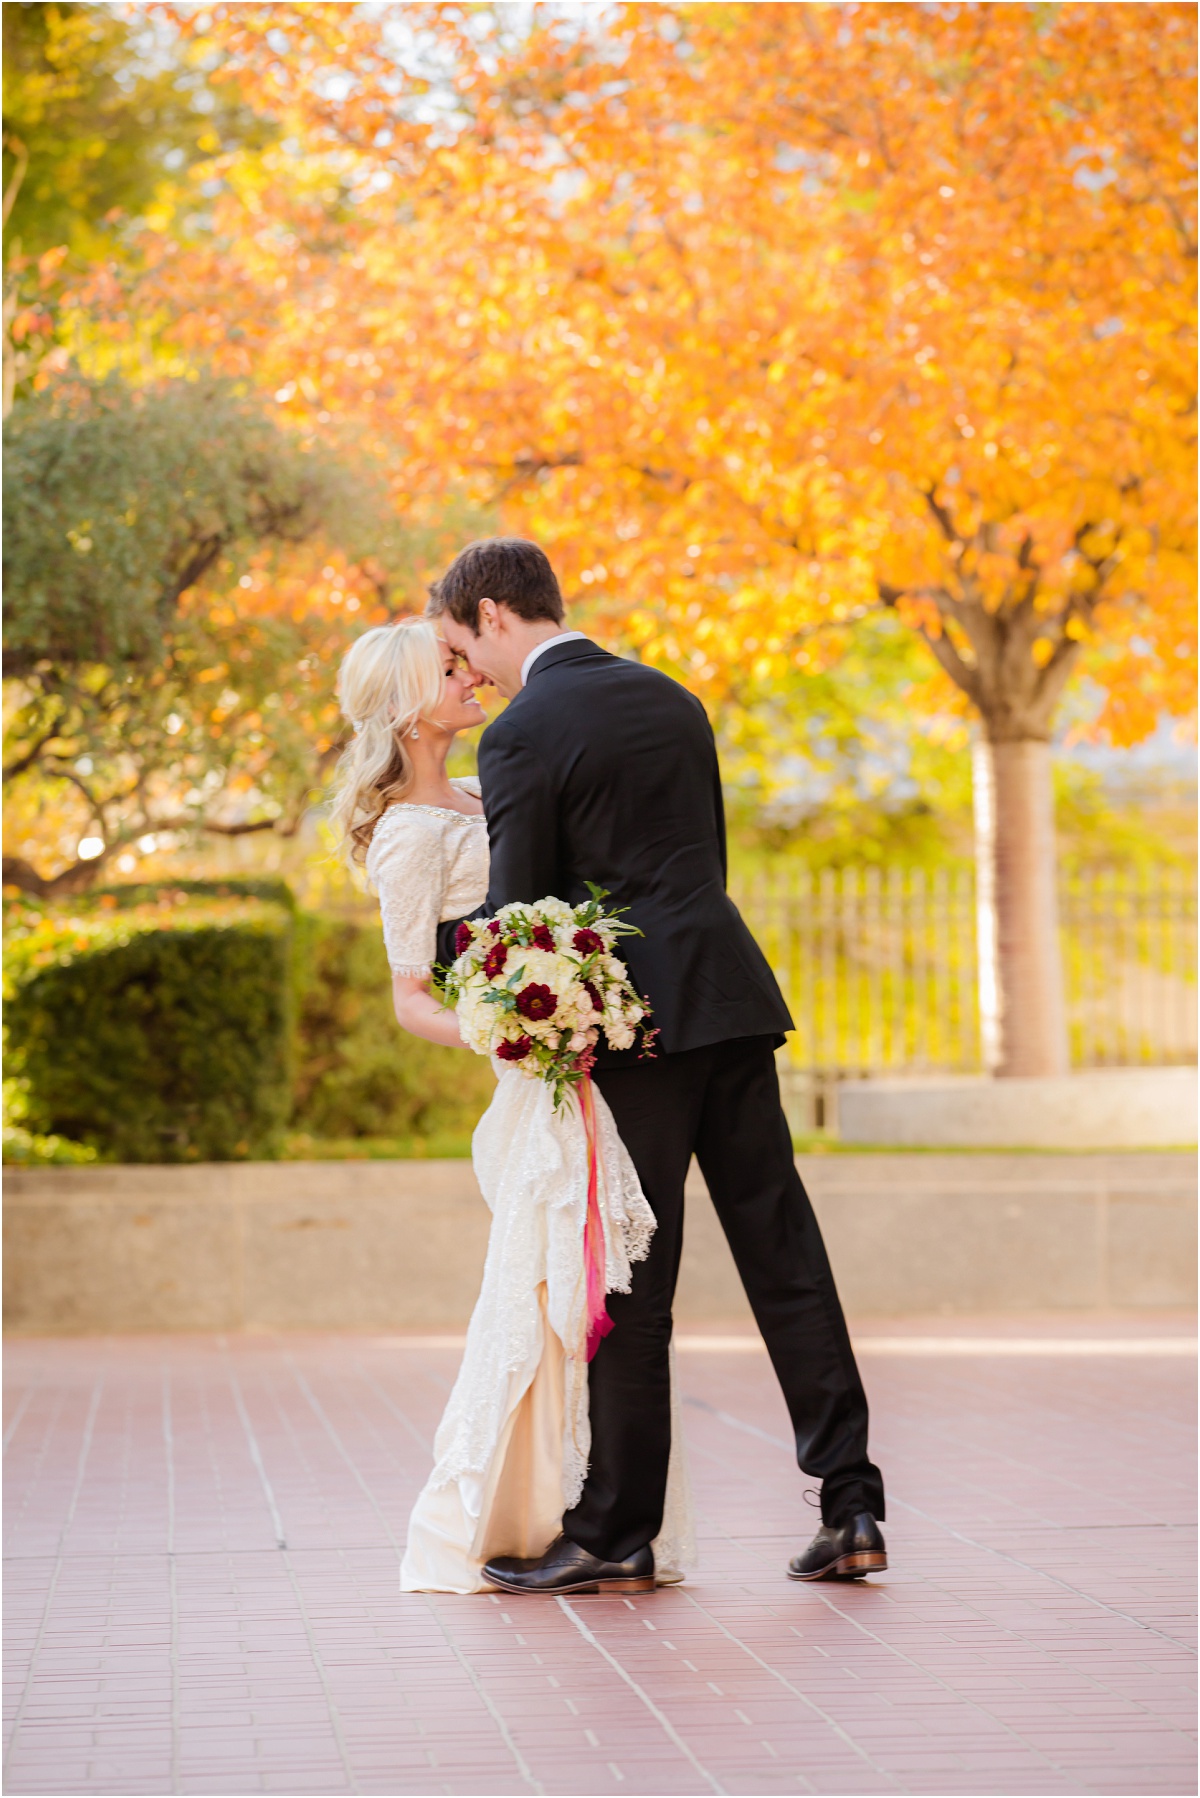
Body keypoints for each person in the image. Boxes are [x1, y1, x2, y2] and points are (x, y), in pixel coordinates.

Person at [428, 537, 887, 1594]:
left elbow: (525, 912)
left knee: (632, 1278)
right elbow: (701, 868)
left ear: (494, 613)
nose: (470, 674)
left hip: (634, 1026)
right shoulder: (672, 698)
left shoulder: (524, 734)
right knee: (784, 1249)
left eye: (463, 647)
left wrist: (443, 953)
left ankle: (615, 1530)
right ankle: (851, 1503)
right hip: (728, 993)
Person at [329, 616, 694, 1595]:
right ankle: (525, 1511)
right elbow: (413, 995)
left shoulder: (488, 795)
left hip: (580, 1070)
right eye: (449, 669)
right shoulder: (407, 834)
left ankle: (592, 1508)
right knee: (546, 1287)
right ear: (410, 708)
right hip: (534, 1078)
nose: (471, 675)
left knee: (602, 1284)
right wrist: (521, 1033)